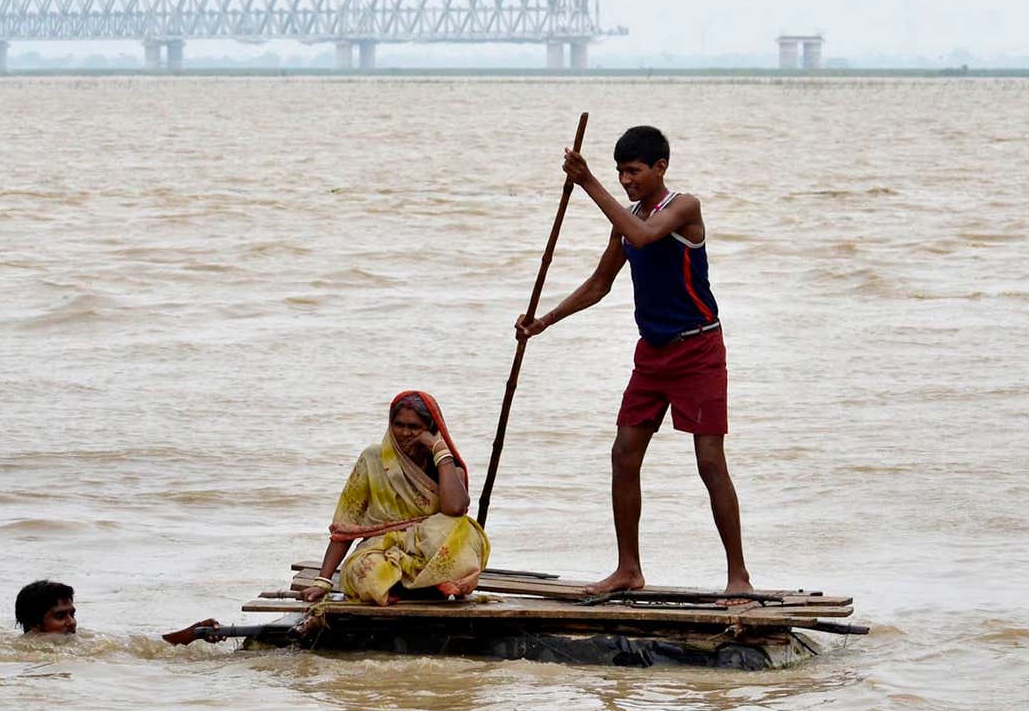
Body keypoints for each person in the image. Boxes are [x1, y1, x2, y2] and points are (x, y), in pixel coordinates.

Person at [514, 125, 753, 604]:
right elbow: (601, 283)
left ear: (661, 167)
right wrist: (545, 321)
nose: (626, 181)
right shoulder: (626, 217)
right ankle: (628, 569)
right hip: (653, 354)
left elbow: (643, 237)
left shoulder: (683, 208)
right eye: (620, 172)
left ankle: (739, 577)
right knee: (624, 454)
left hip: (700, 349)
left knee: (709, 462)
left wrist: (588, 183)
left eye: (634, 171)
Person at [299, 391, 490, 606]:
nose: (405, 433)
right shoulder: (373, 458)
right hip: (381, 550)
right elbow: (346, 525)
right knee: (368, 572)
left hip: (425, 551)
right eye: (399, 425)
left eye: (415, 427)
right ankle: (421, 586)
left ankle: (425, 583)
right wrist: (323, 582)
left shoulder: (444, 464)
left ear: (431, 429)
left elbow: (454, 508)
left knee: (465, 531)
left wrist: (439, 450)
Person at [13, 579, 223, 646]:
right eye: (60, 616)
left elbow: (141, 645)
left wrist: (194, 632)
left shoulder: (81, 641)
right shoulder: (32, 651)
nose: (71, 622)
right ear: (35, 624)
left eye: (72, 614)